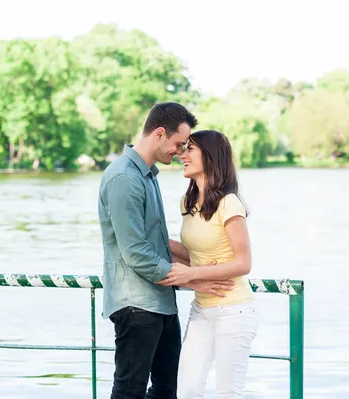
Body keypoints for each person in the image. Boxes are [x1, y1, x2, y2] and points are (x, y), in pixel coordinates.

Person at [98, 103, 235, 399]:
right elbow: (136, 252)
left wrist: (208, 263)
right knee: (128, 391)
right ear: (159, 134)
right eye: (178, 144)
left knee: (168, 388)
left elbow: (157, 241)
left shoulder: (147, 175)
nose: (180, 151)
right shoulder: (124, 178)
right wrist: (194, 280)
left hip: (160, 302)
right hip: (135, 304)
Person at [157, 130, 258, 398]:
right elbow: (194, 253)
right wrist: (155, 240)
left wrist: (193, 273)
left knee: (227, 393)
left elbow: (244, 263)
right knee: (187, 390)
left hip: (234, 310)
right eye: (183, 149)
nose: (182, 154)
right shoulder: (187, 203)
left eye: (190, 149)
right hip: (201, 310)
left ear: (210, 156)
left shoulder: (229, 203)